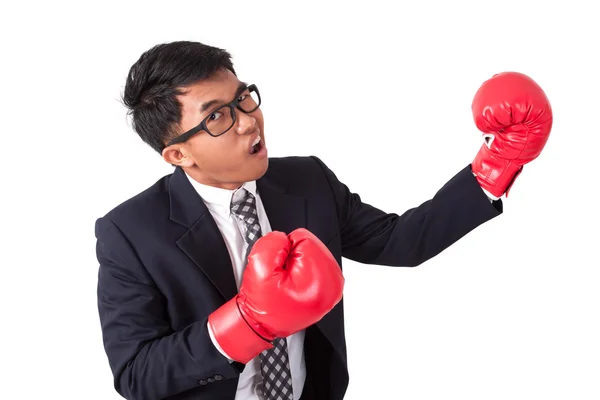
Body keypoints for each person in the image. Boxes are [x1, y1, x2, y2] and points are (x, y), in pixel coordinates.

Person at [95, 41, 552, 400]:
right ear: (178, 154)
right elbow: (136, 374)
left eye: (244, 99)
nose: (248, 122)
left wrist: (500, 160)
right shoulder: (130, 232)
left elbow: (402, 241)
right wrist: (246, 324)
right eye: (216, 116)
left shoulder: (308, 179)